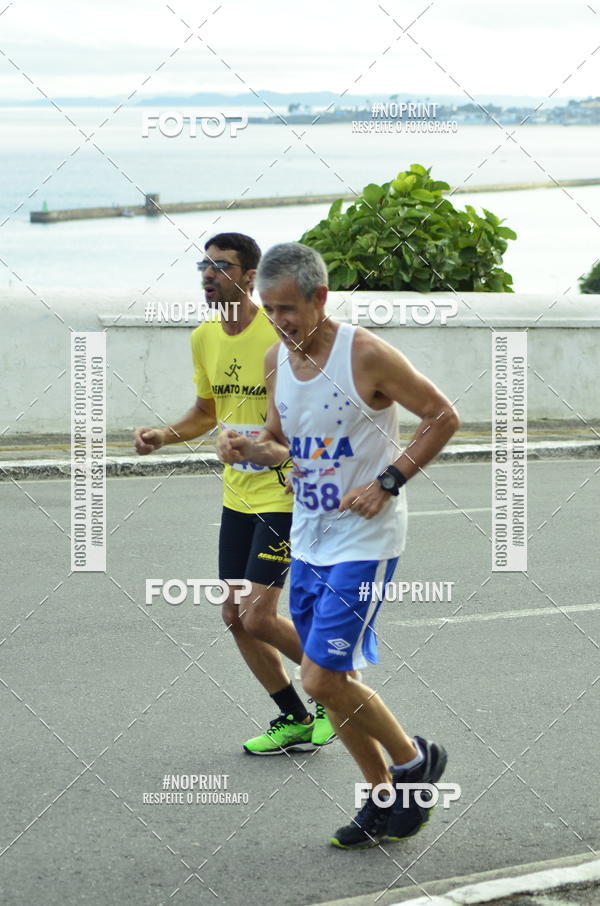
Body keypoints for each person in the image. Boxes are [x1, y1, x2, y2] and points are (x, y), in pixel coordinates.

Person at [216, 242, 460, 848]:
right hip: (310, 537)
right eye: (269, 309)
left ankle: (411, 763)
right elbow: (280, 442)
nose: (279, 321)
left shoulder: (366, 354)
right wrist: (247, 444)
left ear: (319, 297)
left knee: (321, 681)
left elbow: (441, 416)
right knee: (331, 676)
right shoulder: (276, 360)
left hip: (366, 540)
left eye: (288, 308)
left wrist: (389, 481)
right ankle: (383, 797)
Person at [133, 232, 335, 755]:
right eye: (202, 265)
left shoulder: (280, 331)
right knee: (234, 616)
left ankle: (337, 691)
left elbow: (311, 403)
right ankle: (293, 716)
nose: (206, 274)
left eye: (219, 266)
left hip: (283, 493)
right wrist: (162, 436)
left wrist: (287, 455)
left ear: (249, 277)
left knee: (259, 616)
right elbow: (206, 411)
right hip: (237, 496)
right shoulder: (204, 337)